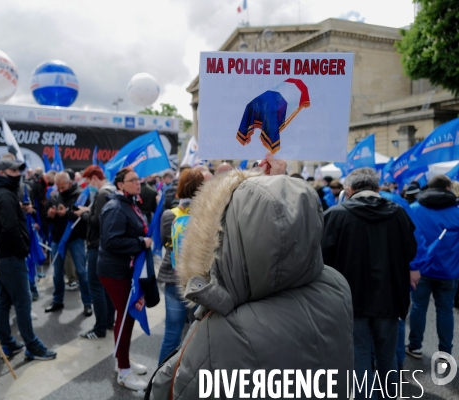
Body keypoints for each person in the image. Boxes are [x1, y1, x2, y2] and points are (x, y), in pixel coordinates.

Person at [148, 155, 353, 399]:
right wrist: (276, 189)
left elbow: (171, 389)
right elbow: (281, 225)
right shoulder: (337, 285)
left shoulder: (223, 330)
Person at [321, 168, 417, 399]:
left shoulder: (335, 215)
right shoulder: (399, 213)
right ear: (376, 189)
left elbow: (323, 258)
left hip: (351, 297)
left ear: (349, 190)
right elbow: (411, 250)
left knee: (360, 354)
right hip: (390, 296)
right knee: (387, 355)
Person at [0, 159, 56, 361]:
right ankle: (32, 346)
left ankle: (7, 343)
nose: (18, 174)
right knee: (23, 303)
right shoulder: (4, 194)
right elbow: (9, 228)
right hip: (10, 256)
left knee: (5, 301)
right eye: (13, 170)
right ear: (1, 172)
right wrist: (23, 248)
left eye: (19, 170)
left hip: (2, 255)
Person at [98, 167, 151, 391]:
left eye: (138, 179)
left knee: (125, 318)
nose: (137, 183)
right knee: (126, 317)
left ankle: (124, 362)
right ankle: (124, 372)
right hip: (115, 272)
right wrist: (141, 243)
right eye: (132, 180)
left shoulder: (129, 203)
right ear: (120, 185)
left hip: (125, 270)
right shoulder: (115, 207)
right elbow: (111, 241)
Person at [406, 175, 459, 359]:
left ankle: (415, 346)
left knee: (419, 307)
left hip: (420, 268)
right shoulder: (456, 212)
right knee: (445, 311)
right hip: (449, 270)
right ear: (447, 188)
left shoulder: (414, 209)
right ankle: (445, 352)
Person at [157, 168, 205, 364]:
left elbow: (165, 242)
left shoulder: (170, 214)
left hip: (174, 277)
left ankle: (160, 382)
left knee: (172, 334)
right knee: (197, 335)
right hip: (199, 279)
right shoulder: (207, 215)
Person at [76, 166, 116, 340]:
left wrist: (84, 214)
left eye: (88, 181)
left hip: (96, 246)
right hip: (106, 246)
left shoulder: (101, 194)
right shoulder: (112, 191)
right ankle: (108, 322)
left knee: (96, 286)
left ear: (94, 178)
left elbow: (97, 221)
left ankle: (99, 327)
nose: (87, 185)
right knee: (106, 286)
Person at [44, 172, 93, 316]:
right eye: (57, 187)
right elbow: (47, 219)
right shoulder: (54, 196)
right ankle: (57, 300)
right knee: (57, 273)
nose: (59, 190)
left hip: (76, 237)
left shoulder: (80, 195)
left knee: (82, 272)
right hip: (57, 238)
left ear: (69, 183)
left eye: (62, 187)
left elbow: (84, 216)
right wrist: (50, 215)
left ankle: (87, 302)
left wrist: (66, 214)